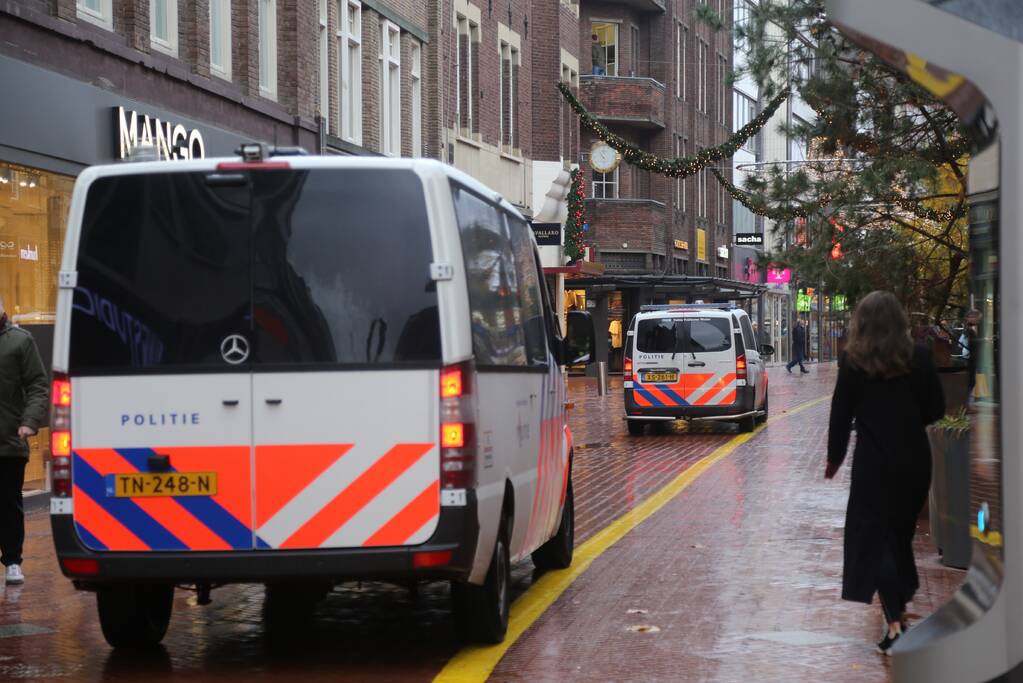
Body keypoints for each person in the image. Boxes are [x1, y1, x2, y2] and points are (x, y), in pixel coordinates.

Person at [825, 291, 945, 655]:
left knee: (873, 543)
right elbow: (936, 408)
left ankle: (896, 620)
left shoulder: (853, 361)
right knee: (897, 537)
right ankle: (901, 603)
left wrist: (835, 458)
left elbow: (840, 414)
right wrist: (908, 422)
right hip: (913, 463)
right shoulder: (920, 358)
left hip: (873, 465)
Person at [0, 296, 48, 585]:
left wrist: (29, 422)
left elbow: (38, 385)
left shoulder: (20, 341)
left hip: (9, 440)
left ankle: (13, 561)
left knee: (8, 504)